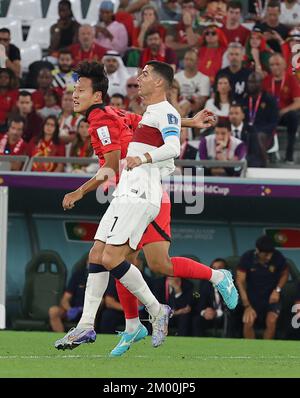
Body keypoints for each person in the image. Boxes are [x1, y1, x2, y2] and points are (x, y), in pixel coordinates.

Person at [54, 61, 238, 356]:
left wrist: (143, 159)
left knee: (118, 258)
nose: (74, 95)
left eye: (80, 90)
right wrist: (188, 121)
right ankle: (96, 324)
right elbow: (146, 122)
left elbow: (153, 152)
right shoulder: (137, 114)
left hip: (141, 191)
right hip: (132, 189)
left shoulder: (104, 120)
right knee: (105, 255)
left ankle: (153, 311)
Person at [236, 235, 289, 339]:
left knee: (271, 320)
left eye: (270, 254)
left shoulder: (278, 257)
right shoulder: (247, 257)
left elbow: (285, 274)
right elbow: (240, 281)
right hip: (252, 298)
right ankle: (250, 352)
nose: (269, 257)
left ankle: (265, 350)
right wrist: (247, 305)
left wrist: (277, 290)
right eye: (265, 254)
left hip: (272, 297)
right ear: (257, 251)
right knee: (248, 321)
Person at [263, 53, 300, 163]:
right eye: (272, 64)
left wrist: (283, 111)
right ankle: (268, 153)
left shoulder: (291, 79)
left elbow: (298, 102)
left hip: (285, 114)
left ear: (284, 65)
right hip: (270, 115)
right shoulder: (266, 80)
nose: (275, 67)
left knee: (293, 116)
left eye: (277, 64)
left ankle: (289, 155)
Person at [192, 258, 228, 337]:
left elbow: (234, 307)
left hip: (225, 316)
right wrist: (204, 312)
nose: (216, 271)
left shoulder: (232, 285)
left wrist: (217, 313)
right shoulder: (205, 283)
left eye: (220, 268)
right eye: (214, 268)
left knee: (230, 319)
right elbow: (200, 302)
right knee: (197, 320)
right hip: (209, 315)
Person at [49, 263, 88, 332]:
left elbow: (103, 301)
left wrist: (83, 310)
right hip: (74, 310)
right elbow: (65, 299)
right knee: (53, 311)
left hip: (89, 311)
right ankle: (61, 338)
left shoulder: (102, 276)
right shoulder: (78, 275)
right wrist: (70, 309)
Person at [175, 49, 210, 113]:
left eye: (191, 60)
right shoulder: (176, 77)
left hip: (194, 113)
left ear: (197, 62)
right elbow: (171, 97)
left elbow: (201, 103)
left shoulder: (204, 79)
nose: (188, 62)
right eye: (186, 59)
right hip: (176, 110)